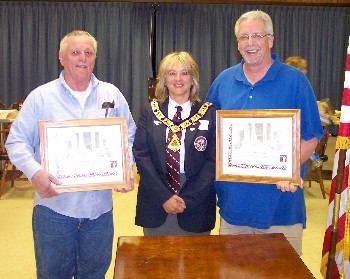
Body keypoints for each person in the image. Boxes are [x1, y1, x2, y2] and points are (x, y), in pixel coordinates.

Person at [5, 30, 136, 278]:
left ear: (95, 58)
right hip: (54, 211)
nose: (82, 58)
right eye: (75, 52)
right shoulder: (40, 97)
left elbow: (129, 135)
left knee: (95, 274)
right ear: (61, 58)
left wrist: (125, 167)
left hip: (99, 214)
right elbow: (16, 142)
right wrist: (35, 173)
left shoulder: (112, 94)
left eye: (89, 53)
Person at [205, 10, 324, 255]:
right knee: (231, 271)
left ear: (270, 39)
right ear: (237, 43)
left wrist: (288, 167)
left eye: (257, 36)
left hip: (281, 207)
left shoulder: (296, 81)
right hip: (233, 208)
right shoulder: (223, 81)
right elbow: (209, 134)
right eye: (243, 37)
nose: (250, 43)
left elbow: (311, 135)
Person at [133, 51, 216, 236]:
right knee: (158, 261)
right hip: (157, 198)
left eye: (185, 73)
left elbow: (214, 160)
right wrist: (164, 197)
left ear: (193, 78)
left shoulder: (209, 112)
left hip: (196, 199)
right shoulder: (149, 111)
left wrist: (188, 198)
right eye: (172, 73)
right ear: (163, 79)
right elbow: (141, 155)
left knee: (196, 261)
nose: (178, 79)